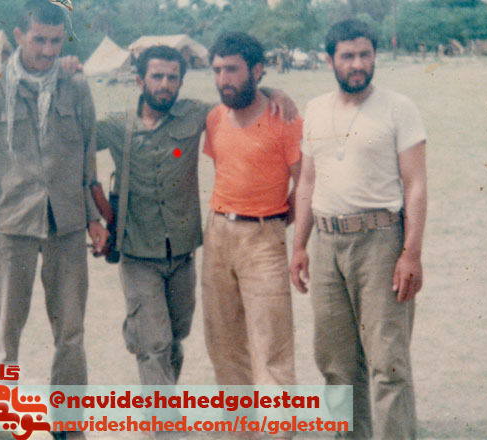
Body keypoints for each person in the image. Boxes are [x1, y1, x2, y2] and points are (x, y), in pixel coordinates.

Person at [93, 45, 297, 387]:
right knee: (154, 342)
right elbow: (74, 150)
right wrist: (94, 216)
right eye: (157, 76)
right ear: (140, 80)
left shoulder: (197, 114)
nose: (165, 84)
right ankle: (161, 414)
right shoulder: (117, 125)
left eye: (173, 78)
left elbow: (238, 96)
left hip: (182, 254)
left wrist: (273, 91)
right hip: (137, 252)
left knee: (175, 336)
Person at [0, 0, 108, 438]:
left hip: (67, 223)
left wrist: (93, 218)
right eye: (39, 40)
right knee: (4, 334)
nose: (47, 50)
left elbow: (87, 159)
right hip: (12, 224)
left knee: (71, 332)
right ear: (19, 36)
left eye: (56, 41)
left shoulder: (75, 85)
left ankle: (68, 426)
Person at [289, 19, 427, 439]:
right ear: (329, 59)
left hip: (380, 241)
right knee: (336, 363)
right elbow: (307, 182)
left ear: (374, 56)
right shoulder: (316, 110)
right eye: (347, 56)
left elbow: (415, 185)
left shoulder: (398, 108)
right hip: (327, 244)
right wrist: (299, 246)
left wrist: (411, 253)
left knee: (388, 364)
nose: (357, 64)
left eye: (365, 54)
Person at [202, 32, 302, 388]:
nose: (223, 79)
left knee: (272, 347)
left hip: (264, 238)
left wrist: (275, 220)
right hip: (217, 235)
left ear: (257, 70)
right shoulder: (215, 117)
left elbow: (304, 185)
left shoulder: (285, 119)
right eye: (217, 70)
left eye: (232, 69)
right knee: (223, 345)